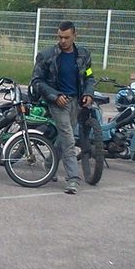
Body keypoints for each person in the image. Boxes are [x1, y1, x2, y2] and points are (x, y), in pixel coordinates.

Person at [30, 21, 95, 194]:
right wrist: (55, 96)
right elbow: (36, 81)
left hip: (76, 103)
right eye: (60, 37)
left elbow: (89, 76)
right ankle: (73, 179)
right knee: (68, 139)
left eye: (66, 37)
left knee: (63, 136)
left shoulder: (83, 55)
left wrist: (89, 93)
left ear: (75, 35)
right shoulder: (47, 56)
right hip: (58, 103)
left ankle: (50, 162)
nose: (63, 41)